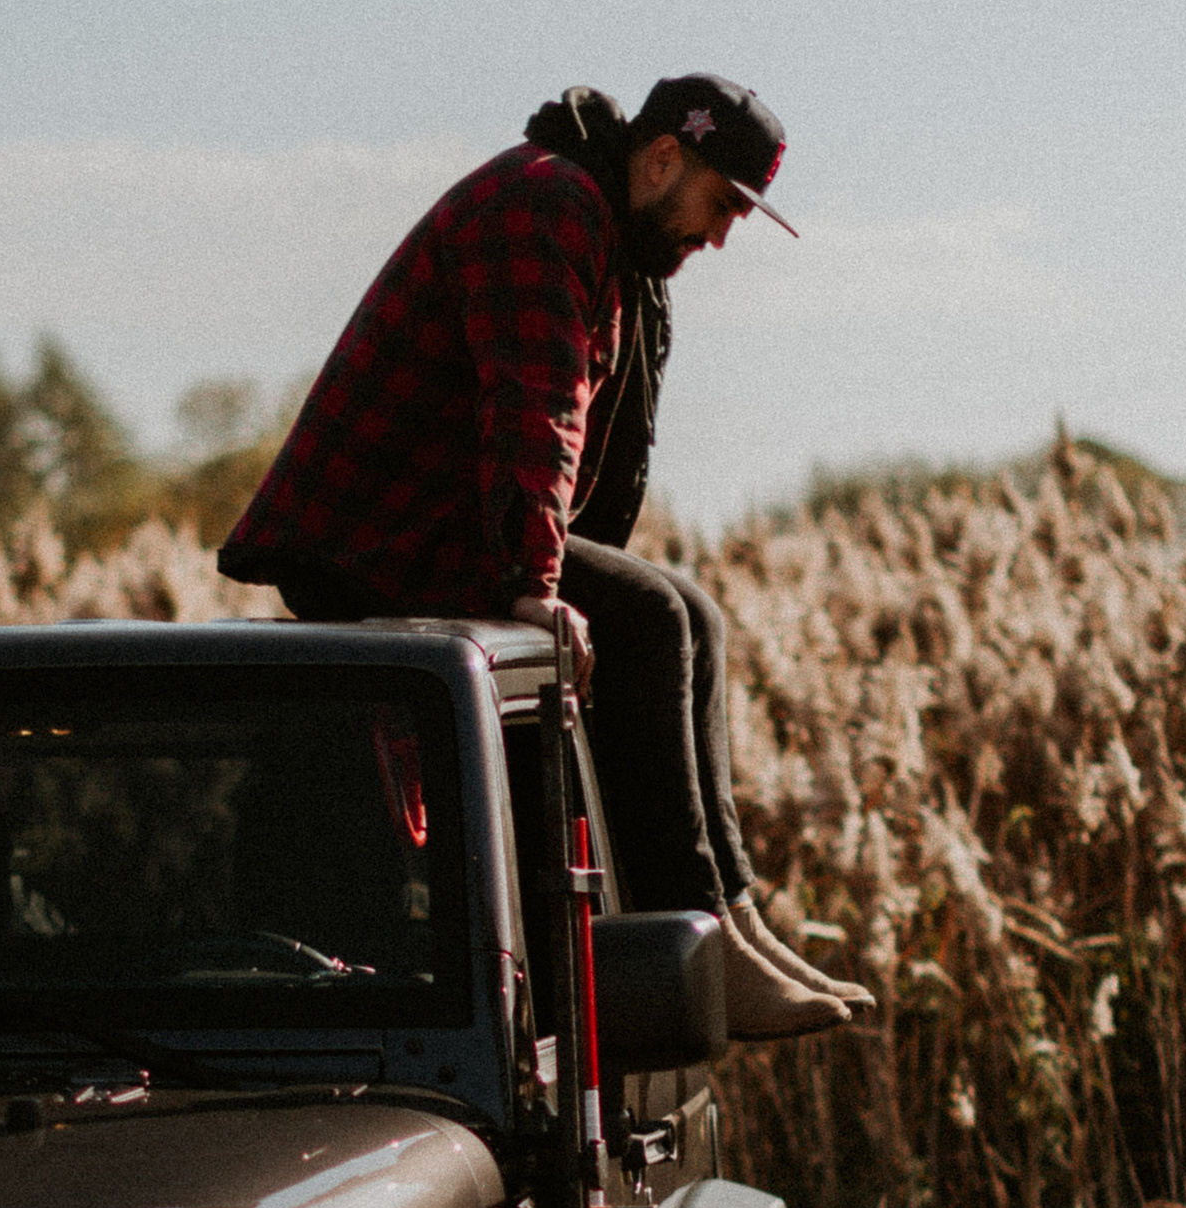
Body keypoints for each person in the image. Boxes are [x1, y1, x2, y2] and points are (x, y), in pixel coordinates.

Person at [218, 76, 871, 1040]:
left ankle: (731, 925)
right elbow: (538, 398)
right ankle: (687, 942)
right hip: (372, 539)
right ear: (660, 160)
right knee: (646, 620)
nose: (720, 235)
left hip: (438, 521)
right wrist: (532, 583)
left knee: (690, 612)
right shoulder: (548, 202)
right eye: (722, 203)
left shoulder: (606, 234)